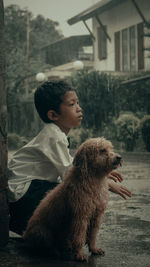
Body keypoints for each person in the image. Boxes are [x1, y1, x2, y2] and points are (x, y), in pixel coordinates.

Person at [8, 80, 131, 235]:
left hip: (23, 195)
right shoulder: (53, 136)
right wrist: (108, 184)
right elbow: (72, 173)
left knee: (72, 190)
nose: (79, 108)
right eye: (72, 104)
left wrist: (102, 172)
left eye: (78, 102)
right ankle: (51, 231)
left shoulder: (55, 133)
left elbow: (73, 166)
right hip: (22, 196)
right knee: (74, 192)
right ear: (53, 115)